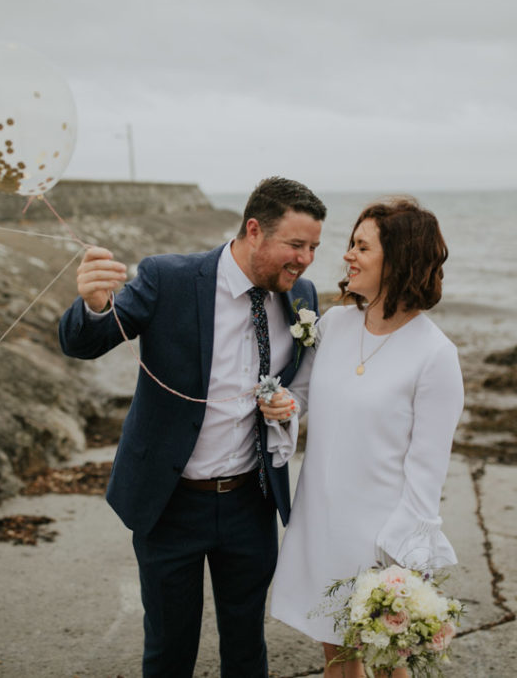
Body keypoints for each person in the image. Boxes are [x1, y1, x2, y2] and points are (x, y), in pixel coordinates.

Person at [58, 176, 326, 678]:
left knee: (247, 646)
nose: (306, 259)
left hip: (252, 498)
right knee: (169, 647)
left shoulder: (303, 295)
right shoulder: (169, 278)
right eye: (295, 245)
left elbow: (303, 383)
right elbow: (85, 343)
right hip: (170, 501)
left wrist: (289, 406)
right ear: (254, 231)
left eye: (313, 247)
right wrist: (94, 305)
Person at [261, 197, 464, 678]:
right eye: (351, 243)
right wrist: (282, 407)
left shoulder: (435, 354)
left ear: (398, 259)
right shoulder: (334, 324)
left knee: (390, 664)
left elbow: (427, 468)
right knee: (338, 658)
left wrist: (404, 556)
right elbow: (303, 396)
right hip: (321, 520)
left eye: (361, 246)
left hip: (379, 536)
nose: (347, 255)